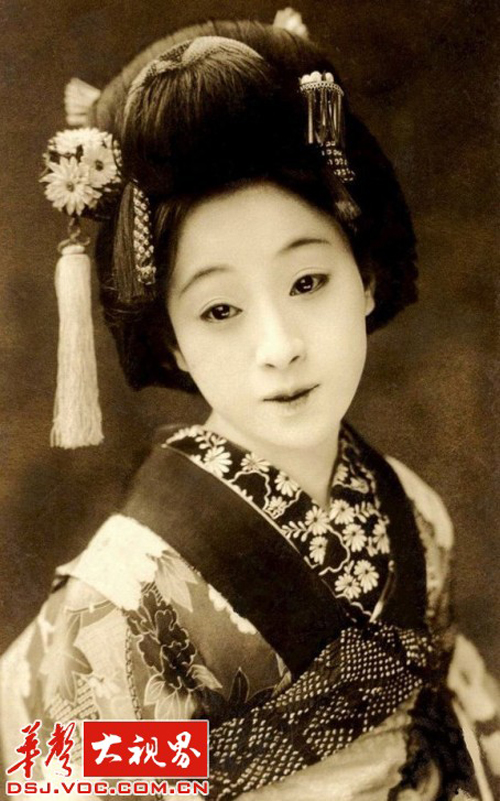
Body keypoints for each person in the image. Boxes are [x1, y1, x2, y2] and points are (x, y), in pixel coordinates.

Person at [1, 11, 499, 801]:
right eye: (220, 310)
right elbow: (59, 771)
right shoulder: (128, 593)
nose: (279, 345)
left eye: (307, 282)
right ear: (171, 342)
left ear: (366, 278)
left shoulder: (416, 513)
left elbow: (459, 713)